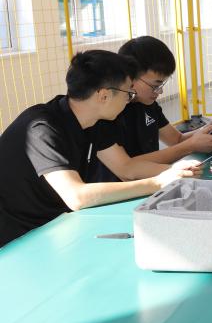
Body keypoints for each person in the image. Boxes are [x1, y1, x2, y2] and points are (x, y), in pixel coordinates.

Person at [0, 50, 196, 248]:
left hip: (50, 224)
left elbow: (126, 168)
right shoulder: (41, 127)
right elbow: (76, 196)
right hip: (14, 237)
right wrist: (157, 182)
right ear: (103, 96)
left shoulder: (95, 121)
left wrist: (177, 172)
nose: (129, 100)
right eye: (128, 94)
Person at [89, 36, 212, 183]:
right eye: (155, 85)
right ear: (130, 77)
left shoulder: (148, 104)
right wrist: (190, 147)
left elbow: (176, 140)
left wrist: (210, 129)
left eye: (162, 85)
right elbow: (127, 169)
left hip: (151, 182)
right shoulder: (108, 114)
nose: (160, 91)